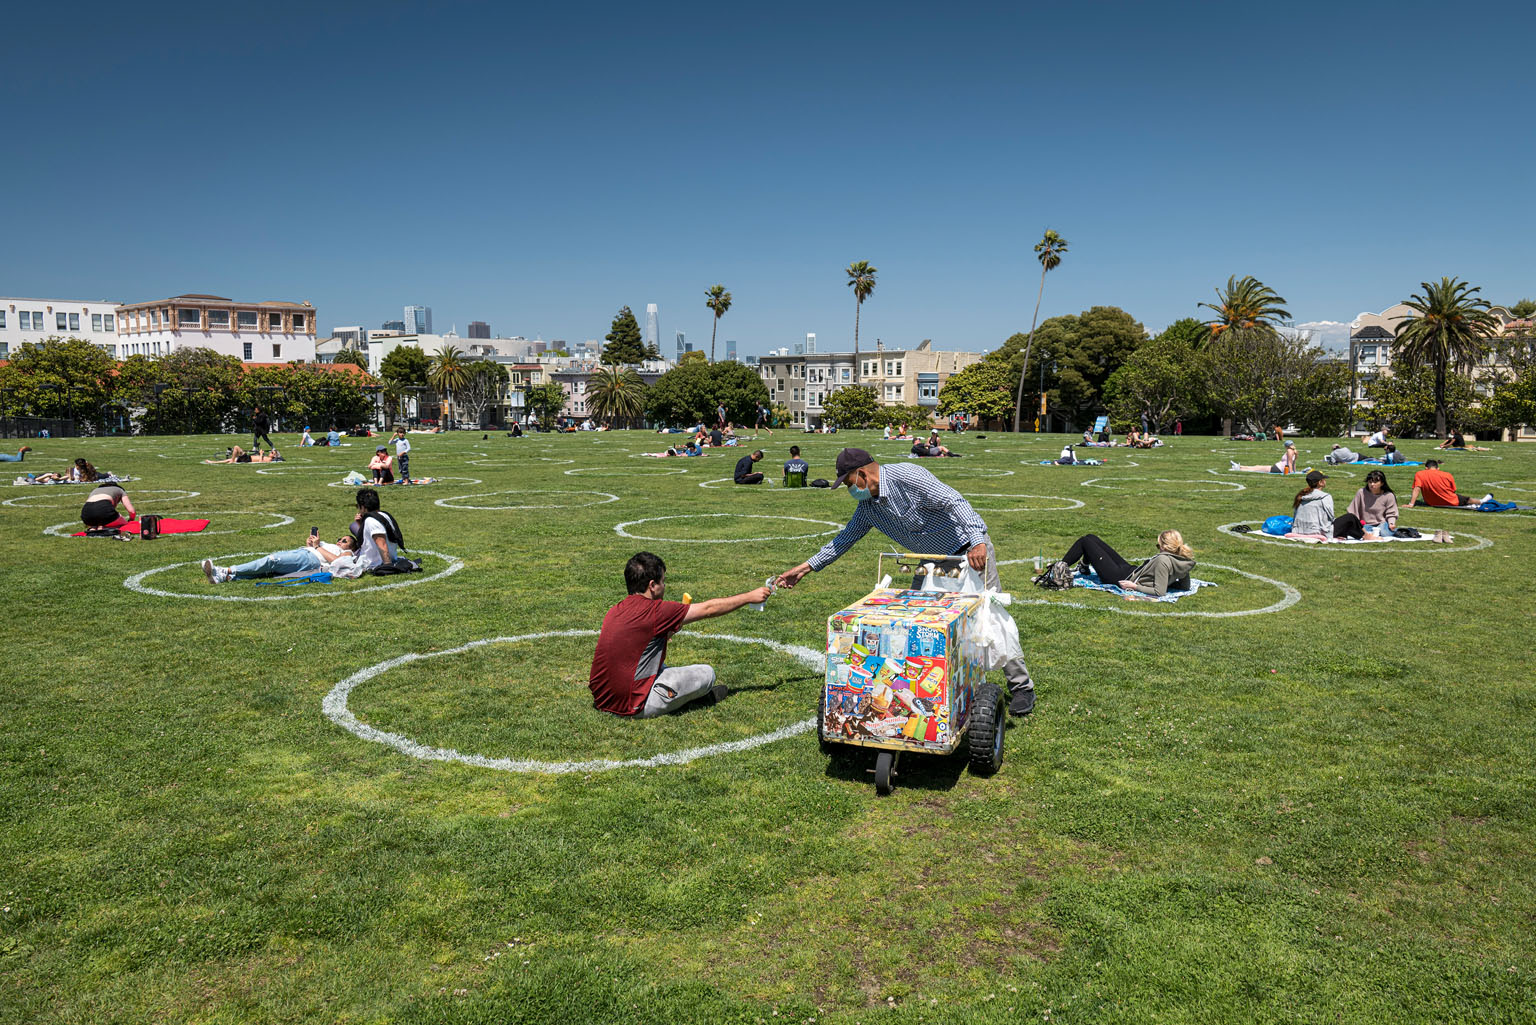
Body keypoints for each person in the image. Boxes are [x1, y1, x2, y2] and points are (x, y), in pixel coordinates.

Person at [774, 448, 1037, 716]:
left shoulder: (907, 475)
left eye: (850, 483)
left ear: (862, 474)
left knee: (990, 615)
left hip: (969, 552)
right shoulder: (868, 508)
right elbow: (844, 540)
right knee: (915, 623)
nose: (850, 490)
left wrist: (978, 541)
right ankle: (924, 687)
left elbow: (953, 501)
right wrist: (806, 568)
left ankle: (1021, 687)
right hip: (931, 562)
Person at [589, 551, 772, 718]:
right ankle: (698, 700)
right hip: (632, 706)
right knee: (707, 674)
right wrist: (749, 597)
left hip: (602, 699)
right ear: (652, 585)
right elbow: (709, 609)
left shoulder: (615, 610)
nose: (664, 585)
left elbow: (641, 645)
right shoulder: (657, 611)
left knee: (659, 667)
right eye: (663, 581)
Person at [1047, 530, 1196, 597]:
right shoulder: (1182, 560)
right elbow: (1185, 586)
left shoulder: (1163, 560)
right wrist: (1167, 582)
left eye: (1158, 545)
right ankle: (1084, 568)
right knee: (1091, 537)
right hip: (1130, 570)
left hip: (1120, 577)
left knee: (1085, 542)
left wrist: (1135, 587)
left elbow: (1160, 592)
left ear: (1164, 546)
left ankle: (1058, 569)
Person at [202, 532, 362, 583]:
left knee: (272, 561)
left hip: (310, 559)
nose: (340, 541)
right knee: (269, 570)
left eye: (344, 541)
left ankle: (225, 570)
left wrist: (317, 547)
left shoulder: (347, 553)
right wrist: (310, 544)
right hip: (306, 554)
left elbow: (338, 562)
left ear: (352, 546)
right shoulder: (331, 546)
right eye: (339, 539)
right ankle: (224, 578)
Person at [348, 487, 403, 572]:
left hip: (373, 563)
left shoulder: (371, 521)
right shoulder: (385, 515)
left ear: (363, 507)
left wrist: (387, 565)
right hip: (382, 558)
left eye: (358, 506)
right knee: (353, 525)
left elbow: (382, 544)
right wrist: (360, 524)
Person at [1341, 469, 1401, 538]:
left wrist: (1391, 523)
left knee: (1385, 533)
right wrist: (1356, 524)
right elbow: (1353, 511)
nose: (1372, 484)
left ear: (1382, 483)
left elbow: (1391, 513)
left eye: (1375, 482)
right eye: (1370, 482)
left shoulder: (1388, 495)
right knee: (1353, 533)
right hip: (1365, 524)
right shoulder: (1361, 493)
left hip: (1381, 524)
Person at [1409, 460, 1489, 507]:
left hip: (1430, 502)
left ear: (1426, 468)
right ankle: (1481, 501)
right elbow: (1453, 490)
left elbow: (1417, 489)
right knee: (1467, 499)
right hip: (1450, 501)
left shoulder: (1419, 474)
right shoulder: (1447, 475)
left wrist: (1411, 504)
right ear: (1438, 468)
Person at [1289, 470, 1335, 537]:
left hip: (1299, 530)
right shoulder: (1325, 496)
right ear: (1320, 482)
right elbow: (1331, 517)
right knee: (1350, 518)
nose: (1325, 481)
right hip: (1319, 530)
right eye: (1324, 479)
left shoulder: (1301, 496)